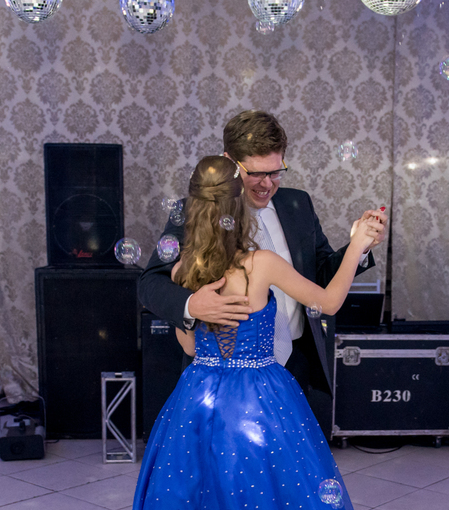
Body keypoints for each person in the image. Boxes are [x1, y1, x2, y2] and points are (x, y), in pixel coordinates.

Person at [89, 156, 446, 510]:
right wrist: (358, 243)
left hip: (197, 404)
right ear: (238, 209)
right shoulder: (261, 263)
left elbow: (188, 348)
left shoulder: (185, 272)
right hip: (258, 403)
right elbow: (329, 302)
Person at [138, 110, 384, 431]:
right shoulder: (196, 209)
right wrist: (191, 306)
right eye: (256, 173)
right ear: (229, 162)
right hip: (223, 375)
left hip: (297, 362)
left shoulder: (299, 204)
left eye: (276, 172)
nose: (267, 184)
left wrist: (359, 248)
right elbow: (150, 283)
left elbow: (321, 272)